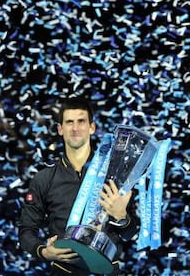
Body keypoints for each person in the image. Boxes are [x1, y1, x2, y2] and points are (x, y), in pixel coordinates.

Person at [18, 97, 138, 275]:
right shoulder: (44, 179)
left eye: (81, 121)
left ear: (92, 127)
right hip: (63, 271)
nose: (75, 129)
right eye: (69, 122)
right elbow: (26, 231)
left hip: (107, 270)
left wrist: (122, 217)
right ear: (60, 129)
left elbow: (131, 233)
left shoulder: (116, 175)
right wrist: (43, 251)